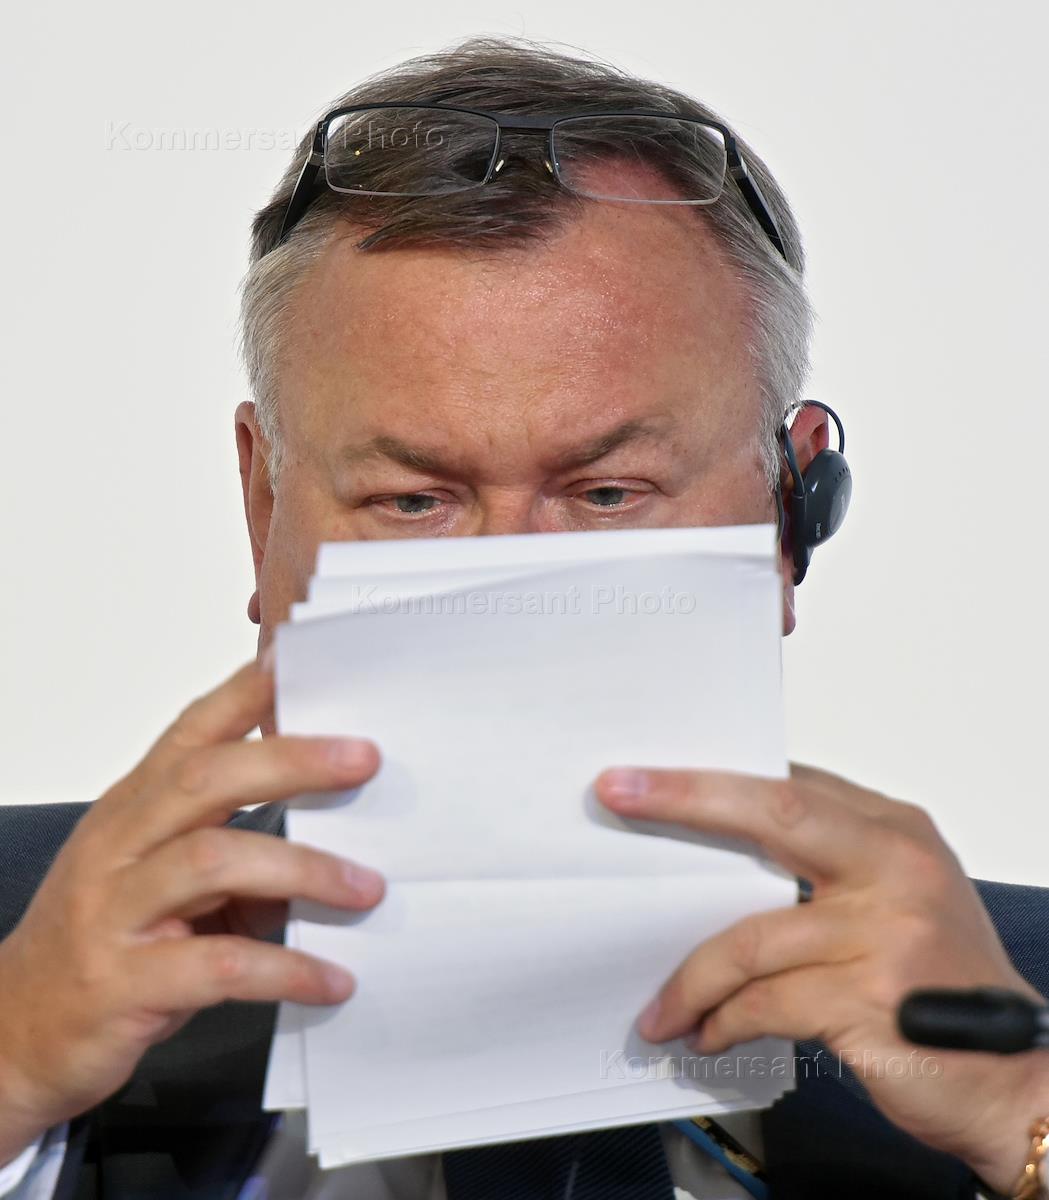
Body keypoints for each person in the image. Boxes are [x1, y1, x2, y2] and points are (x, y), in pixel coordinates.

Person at [1, 35, 1047, 1200]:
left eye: (605, 494)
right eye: (412, 501)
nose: (506, 596)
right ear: (264, 507)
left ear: (785, 518)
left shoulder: (1022, 1018)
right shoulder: (14, 962)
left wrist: (1023, 1121)